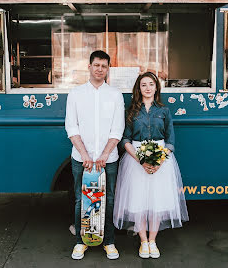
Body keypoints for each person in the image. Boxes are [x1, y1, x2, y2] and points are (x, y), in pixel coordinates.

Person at [113, 72, 189, 259]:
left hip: (161, 161)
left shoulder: (164, 111)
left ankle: (153, 241)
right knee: (138, 202)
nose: (147, 88)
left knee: (156, 202)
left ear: (156, 87)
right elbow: (125, 139)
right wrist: (141, 159)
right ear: (139, 89)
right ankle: (143, 241)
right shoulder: (132, 111)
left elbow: (170, 141)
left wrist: (158, 161)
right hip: (136, 160)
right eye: (143, 85)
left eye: (151, 84)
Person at [65, 50, 125, 260]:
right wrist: (85, 155)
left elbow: (117, 129)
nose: (100, 69)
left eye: (104, 66)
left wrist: (105, 154)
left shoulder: (115, 95)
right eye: (96, 65)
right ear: (89, 67)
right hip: (81, 158)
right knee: (82, 201)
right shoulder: (76, 94)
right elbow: (72, 128)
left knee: (107, 199)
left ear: (108, 69)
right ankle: (81, 242)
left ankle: (109, 241)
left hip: (108, 160)